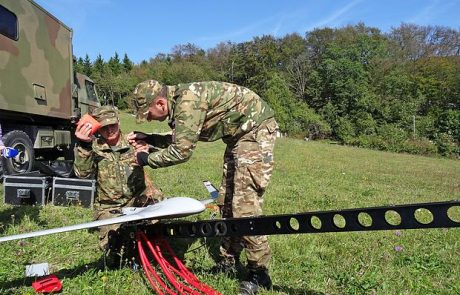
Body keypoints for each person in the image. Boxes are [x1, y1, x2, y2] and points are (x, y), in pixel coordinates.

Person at [129, 80, 278, 295]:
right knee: (226, 201)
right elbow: (185, 135)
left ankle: (259, 271)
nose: (150, 118)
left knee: (244, 206)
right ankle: (228, 260)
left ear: (161, 103)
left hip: (255, 133)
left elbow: (182, 151)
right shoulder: (182, 102)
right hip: (239, 138)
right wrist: (150, 139)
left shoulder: (187, 101)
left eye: (149, 114)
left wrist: (145, 158)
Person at [73, 105, 164, 263]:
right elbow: (82, 174)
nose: (109, 131)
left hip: (139, 199)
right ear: (97, 129)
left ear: (119, 122)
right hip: (110, 206)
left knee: (154, 237)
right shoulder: (92, 148)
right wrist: (84, 145)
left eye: (112, 125)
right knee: (116, 251)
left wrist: (148, 147)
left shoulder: (134, 141)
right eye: (104, 127)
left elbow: (163, 153)